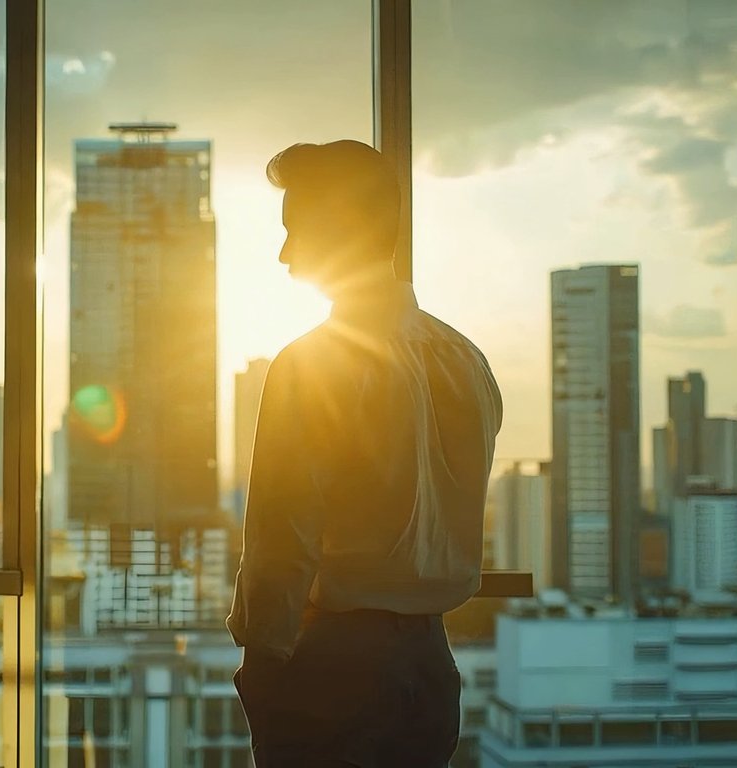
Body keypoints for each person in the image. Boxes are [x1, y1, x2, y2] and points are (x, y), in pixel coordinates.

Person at [227, 140, 503, 767]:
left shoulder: (313, 364)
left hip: (332, 664)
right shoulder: (466, 361)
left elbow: (282, 532)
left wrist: (264, 663)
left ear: (340, 230)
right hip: (431, 668)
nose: (284, 253)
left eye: (296, 230)